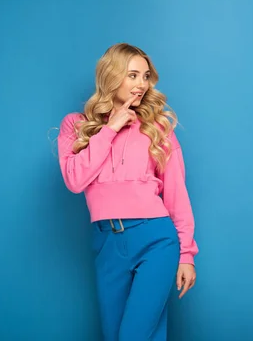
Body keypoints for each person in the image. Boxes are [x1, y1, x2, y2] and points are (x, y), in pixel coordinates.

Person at [57, 43, 198, 340]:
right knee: (120, 335)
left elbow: (176, 194)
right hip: (106, 243)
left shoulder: (157, 127)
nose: (141, 85)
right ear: (112, 76)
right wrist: (110, 129)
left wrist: (186, 254)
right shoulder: (76, 125)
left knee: (134, 335)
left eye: (145, 76)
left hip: (155, 239)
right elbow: (74, 179)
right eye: (132, 75)